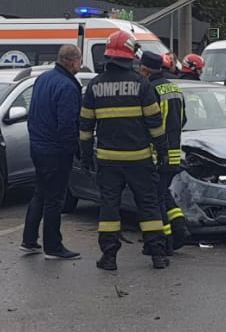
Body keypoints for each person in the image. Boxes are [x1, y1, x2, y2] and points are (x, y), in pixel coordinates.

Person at [80, 31, 169, 271]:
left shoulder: (95, 86)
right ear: (130, 56)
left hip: (108, 161)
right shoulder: (142, 84)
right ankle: (158, 255)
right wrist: (162, 152)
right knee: (148, 206)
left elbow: (86, 128)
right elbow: (155, 124)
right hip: (139, 158)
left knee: (109, 208)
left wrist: (85, 157)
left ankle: (109, 257)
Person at [20, 45, 84, 260]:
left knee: (40, 192)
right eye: (80, 61)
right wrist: (75, 150)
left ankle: (29, 240)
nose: (80, 65)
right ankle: (53, 246)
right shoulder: (67, 86)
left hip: (38, 146)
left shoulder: (43, 79)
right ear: (73, 62)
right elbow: (67, 125)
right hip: (55, 150)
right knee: (54, 199)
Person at [140, 50, 191, 251]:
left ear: (145, 70)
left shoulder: (149, 90)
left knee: (156, 199)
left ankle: (166, 241)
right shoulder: (174, 88)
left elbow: (148, 123)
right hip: (174, 154)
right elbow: (183, 120)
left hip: (156, 154)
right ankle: (180, 227)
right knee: (163, 193)